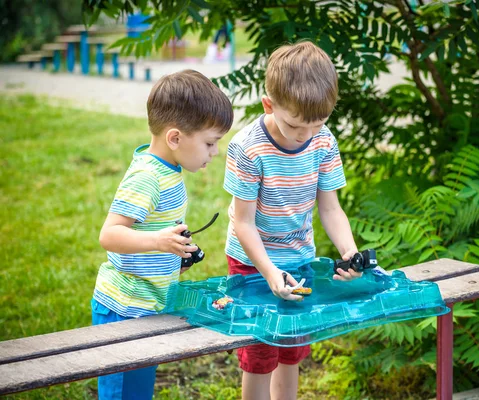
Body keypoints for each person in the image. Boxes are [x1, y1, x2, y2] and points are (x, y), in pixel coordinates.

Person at [223, 41, 362, 400]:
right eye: (296, 125)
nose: (307, 135)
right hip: (251, 262)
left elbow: (330, 208)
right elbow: (243, 223)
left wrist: (349, 252)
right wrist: (269, 272)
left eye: (318, 124)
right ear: (269, 105)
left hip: (299, 258)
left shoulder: (323, 142)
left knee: (291, 348)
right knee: (261, 352)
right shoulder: (248, 148)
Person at [91, 69, 233, 400]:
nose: (214, 153)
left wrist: (176, 252)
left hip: (149, 304)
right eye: (210, 143)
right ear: (175, 138)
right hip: (124, 308)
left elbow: (156, 229)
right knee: (122, 393)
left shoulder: (170, 171)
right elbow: (110, 235)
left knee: (139, 391)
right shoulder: (147, 177)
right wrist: (158, 242)